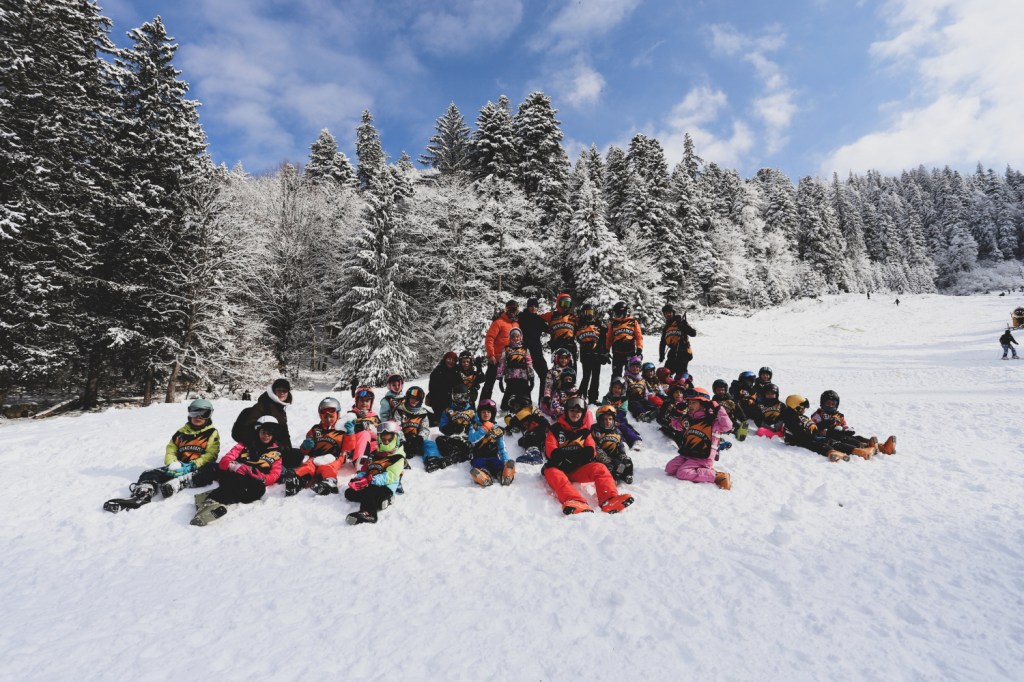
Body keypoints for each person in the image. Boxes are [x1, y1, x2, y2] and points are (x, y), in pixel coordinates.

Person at [103, 399, 221, 513]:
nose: (198, 417)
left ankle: (180, 483)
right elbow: (171, 449)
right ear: (189, 414)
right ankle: (143, 493)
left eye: (204, 414)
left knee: (211, 469)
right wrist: (172, 463)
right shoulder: (181, 433)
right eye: (194, 413)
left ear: (209, 415)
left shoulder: (211, 433)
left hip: (197, 468)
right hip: (179, 467)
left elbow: (211, 454)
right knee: (150, 473)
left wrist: (193, 465)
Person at [543, 397, 635, 515]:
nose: (575, 414)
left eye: (578, 411)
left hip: (577, 469)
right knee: (553, 473)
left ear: (583, 414)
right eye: (572, 411)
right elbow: (551, 451)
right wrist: (578, 455)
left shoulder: (585, 432)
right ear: (566, 411)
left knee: (600, 468)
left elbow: (591, 451)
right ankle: (575, 501)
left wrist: (568, 456)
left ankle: (609, 499)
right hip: (558, 468)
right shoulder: (555, 429)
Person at [191, 415, 284, 526]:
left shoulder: (276, 453)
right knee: (211, 467)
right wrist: (235, 467)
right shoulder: (245, 444)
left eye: (269, 433)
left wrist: (262, 478)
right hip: (233, 474)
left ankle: (209, 498)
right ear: (258, 431)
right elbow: (225, 460)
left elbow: (275, 474)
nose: (266, 436)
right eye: (263, 432)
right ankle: (202, 491)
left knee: (258, 490)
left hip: (250, 481)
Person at [664, 387, 733, 490]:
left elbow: (727, 426)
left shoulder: (712, 421)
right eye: (689, 403)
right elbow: (676, 426)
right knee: (670, 468)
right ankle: (703, 470)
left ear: (703, 404)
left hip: (703, 457)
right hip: (688, 453)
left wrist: (719, 409)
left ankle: (718, 476)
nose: (690, 405)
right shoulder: (689, 419)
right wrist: (677, 413)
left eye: (694, 403)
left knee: (682, 473)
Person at [280, 397, 347, 497]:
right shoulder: (316, 429)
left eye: (331, 416)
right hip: (316, 457)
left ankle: (329, 482)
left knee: (326, 467)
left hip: (335, 457)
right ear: (320, 416)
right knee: (308, 465)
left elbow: (349, 447)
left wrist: (350, 434)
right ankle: (297, 479)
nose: (328, 420)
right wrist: (305, 446)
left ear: (338, 414)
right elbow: (305, 450)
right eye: (325, 417)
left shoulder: (341, 430)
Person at [343, 421, 406, 525]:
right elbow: (364, 469)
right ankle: (380, 501)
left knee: (370, 492)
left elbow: (390, 476)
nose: (386, 443)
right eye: (384, 440)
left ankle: (369, 513)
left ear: (396, 439)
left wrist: (370, 480)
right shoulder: (373, 454)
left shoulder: (398, 457)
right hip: (370, 483)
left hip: (386, 487)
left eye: (389, 440)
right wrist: (358, 479)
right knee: (349, 493)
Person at [779, 395, 874, 462]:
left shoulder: (800, 417)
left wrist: (825, 424)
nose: (804, 410)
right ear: (797, 407)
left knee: (832, 441)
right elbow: (799, 432)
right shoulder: (791, 419)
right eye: (803, 408)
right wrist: (814, 433)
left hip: (811, 436)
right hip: (801, 440)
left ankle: (858, 450)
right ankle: (834, 453)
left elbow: (814, 428)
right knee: (821, 444)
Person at [232, 378, 295, 465]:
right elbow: (249, 427)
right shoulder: (263, 406)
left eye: (285, 390)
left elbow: (284, 432)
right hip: (261, 447)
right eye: (279, 390)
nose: (282, 393)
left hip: (273, 444)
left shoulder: (280, 408)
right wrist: (253, 448)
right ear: (274, 391)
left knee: (297, 456)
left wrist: (288, 449)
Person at [812, 390, 895, 455]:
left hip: (841, 434)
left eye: (833, 404)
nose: (830, 406)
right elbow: (814, 427)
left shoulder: (838, 415)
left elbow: (844, 425)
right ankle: (865, 446)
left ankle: (882, 447)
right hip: (828, 436)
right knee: (846, 439)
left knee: (857, 437)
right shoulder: (818, 414)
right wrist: (825, 425)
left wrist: (847, 430)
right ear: (822, 403)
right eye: (828, 403)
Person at [426, 386, 475, 472]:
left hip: (467, 438)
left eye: (461, 397)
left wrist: (469, 428)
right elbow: (442, 426)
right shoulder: (448, 410)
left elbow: (478, 424)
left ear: (466, 397)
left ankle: (457, 456)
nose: (459, 399)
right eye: (456, 396)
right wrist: (450, 427)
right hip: (453, 437)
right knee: (440, 440)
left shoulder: (471, 410)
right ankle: (455, 455)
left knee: (471, 445)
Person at [467, 399, 516, 487]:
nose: (486, 414)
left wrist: (505, 460)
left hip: (493, 457)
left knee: (498, 464)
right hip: (479, 457)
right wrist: (484, 428)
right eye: (484, 412)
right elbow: (472, 440)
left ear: (492, 414)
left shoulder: (497, 429)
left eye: (488, 412)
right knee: (479, 464)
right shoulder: (474, 426)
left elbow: (502, 448)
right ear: (479, 413)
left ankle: (504, 474)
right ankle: (484, 477)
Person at [481, 299, 520, 402]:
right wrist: (491, 355)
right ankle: (483, 404)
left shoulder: (517, 324)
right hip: (497, 359)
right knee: (489, 383)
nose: (512, 312)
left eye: (515, 309)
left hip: (510, 359)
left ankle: (507, 404)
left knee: (511, 383)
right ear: (506, 309)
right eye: (510, 309)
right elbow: (489, 338)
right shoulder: (499, 322)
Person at [517, 297, 550, 404]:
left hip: (536, 353)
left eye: (535, 306)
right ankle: (524, 401)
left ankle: (542, 400)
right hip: (523, 352)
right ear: (527, 306)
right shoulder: (521, 317)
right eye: (531, 306)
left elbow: (551, 330)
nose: (533, 308)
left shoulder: (538, 320)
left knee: (545, 375)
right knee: (523, 377)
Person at [394, 386, 439, 461]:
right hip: (403, 440)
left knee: (429, 444)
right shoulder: (400, 411)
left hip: (417, 440)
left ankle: (432, 459)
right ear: (408, 398)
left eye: (417, 399)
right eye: (412, 398)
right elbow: (397, 428)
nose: (414, 401)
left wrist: (419, 439)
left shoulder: (423, 413)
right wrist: (402, 441)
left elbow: (425, 428)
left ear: (420, 401)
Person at [592, 404, 634, 484]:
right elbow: (595, 446)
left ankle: (626, 475)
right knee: (609, 467)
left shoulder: (617, 431)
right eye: (605, 419)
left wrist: (622, 455)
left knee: (625, 463)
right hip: (601, 458)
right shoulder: (596, 431)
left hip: (614, 456)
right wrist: (603, 458)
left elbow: (620, 445)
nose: (608, 421)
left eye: (610, 419)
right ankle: (612, 478)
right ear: (600, 420)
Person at [575, 304, 608, 404]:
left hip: (597, 353)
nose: (589, 315)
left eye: (590, 312)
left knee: (596, 377)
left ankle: (593, 398)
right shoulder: (579, 324)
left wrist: (605, 352)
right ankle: (581, 396)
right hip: (585, 354)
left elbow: (605, 337)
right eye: (586, 312)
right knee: (586, 376)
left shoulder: (597, 324)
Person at [503, 394, 548, 464]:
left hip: (542, 430)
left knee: (530, 436)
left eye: (516, 406)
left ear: (523, 404)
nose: (515, 408)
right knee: (522, 440)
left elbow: (512, 422)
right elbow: (516, 425)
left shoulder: (524, 412)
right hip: (542, 432)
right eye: (514, 406)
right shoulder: (529, 412)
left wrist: (507, 418)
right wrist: (508, 429)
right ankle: (542, 448)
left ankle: (534, 454)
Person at [497, 327, 534, 411]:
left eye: (517, 336)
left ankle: (527, 409)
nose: (515, 338)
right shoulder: (507, 349)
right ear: (510, 338)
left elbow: (529, 363)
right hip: (511, 377)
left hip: (523, 377)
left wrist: (531, 377)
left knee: (525, 395)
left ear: (521, 337)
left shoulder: (525, 349)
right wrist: (500, 378)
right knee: (508, 395)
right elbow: (502, 363)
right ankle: (506, 409)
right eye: (513, 337)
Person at [599, 377, 642, 448]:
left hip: (620, 419)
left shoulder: (624, 399)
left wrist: (616, 420)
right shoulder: (606, 398)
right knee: (614, 430)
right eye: (615, 387)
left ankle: (636, 440)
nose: (616, 389)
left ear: (623, 389)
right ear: (611, 388)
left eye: (619, 388)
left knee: (623, 427)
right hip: (607, 419)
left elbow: (623, 411)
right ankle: (623, 443)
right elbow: (602, 409)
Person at [606, 301, 643, 379]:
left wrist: (639, 349)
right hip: (617, 353)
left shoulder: (633, 322)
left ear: (624, 312)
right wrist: (606, 350)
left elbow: (639, 336)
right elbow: (609, 338)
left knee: (630, 375)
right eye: (616, 314)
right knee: (616, 375)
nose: (616, 316)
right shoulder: (613, 323)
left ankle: (631, 387)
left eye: (618, 314)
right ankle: (615, 386)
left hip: (630, 353)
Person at [658, 304, 697, 377]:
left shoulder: (681, 322)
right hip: (673, 352)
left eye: (669, 312)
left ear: (673, 312)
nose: (668, 315)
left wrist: (681, 326)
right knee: (665, 374)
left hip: (683, 352)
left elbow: (693, 333)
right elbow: (662, 342)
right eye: (666, 313)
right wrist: (661, 355)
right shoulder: (666, 327)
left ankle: (685, 382)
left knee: (680, 376)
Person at [541, 293, 578, 365]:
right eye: (563, 303)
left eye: (567, 304)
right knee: (557, 369)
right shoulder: (551, 315)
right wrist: (546, 328)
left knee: (571, 369)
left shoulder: (574, 317)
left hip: (570, 346)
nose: (565, 306)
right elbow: (537, 319)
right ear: (559, 303)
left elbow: (584, 326)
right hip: (556, 346)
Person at [427, 351, 461, 426]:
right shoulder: (438, 370)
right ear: (445, 359)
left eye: (453, 360)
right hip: (439, 399)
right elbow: (432, 388)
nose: (450, 361)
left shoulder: (457, 371)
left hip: (453, 399)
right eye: (449, 359)